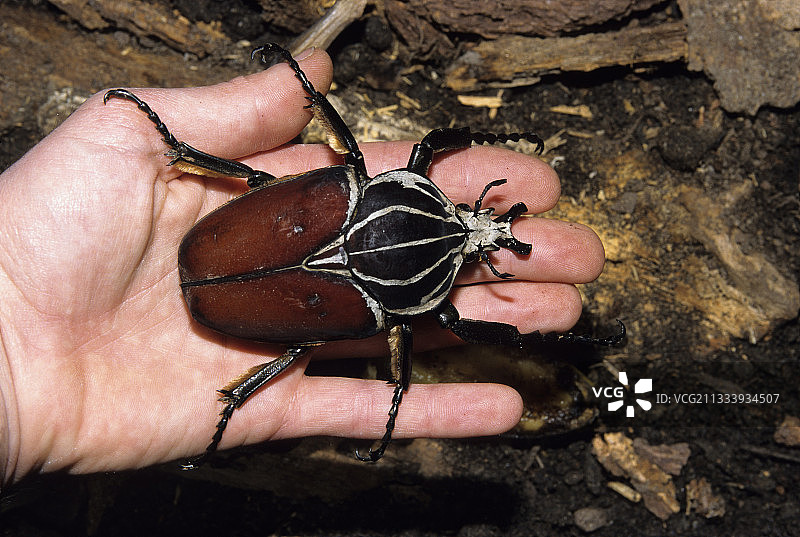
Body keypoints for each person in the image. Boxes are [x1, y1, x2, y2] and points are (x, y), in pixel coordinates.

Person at [0, 47, 605, 488]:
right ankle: (234, 395)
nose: (475, 230)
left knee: (268, 197)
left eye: (470, 237)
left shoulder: (358, 193)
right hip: (221, 269)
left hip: (224, 265)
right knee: (304, 345)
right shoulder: (395, 310)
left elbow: (406, 149)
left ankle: (234, 393)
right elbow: (464, 322)